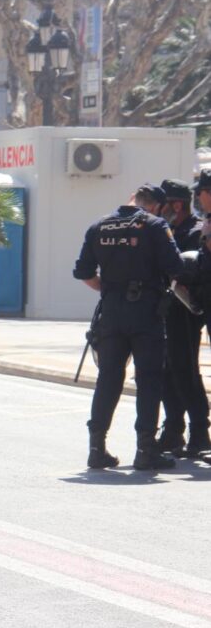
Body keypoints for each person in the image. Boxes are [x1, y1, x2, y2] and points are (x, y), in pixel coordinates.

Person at [73, 183, 182, 470]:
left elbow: (83, 272)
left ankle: (97, 448)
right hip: (146, 312)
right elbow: (176, 267)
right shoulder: (156, 226)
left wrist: (109, 291)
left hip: (110, 311)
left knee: (108, 377)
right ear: (155, 206)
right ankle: (146, 449)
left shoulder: (99, 226)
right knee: (148, 379)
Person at [157, 179, 210, 457]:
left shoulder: (195, 231)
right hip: (167, 311)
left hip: (187, 312)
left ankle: (199, 430)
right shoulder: (166, 229)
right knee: (168, 370)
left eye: (163, 204)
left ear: (176, 204)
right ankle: (173, 429)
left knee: (184, 369)